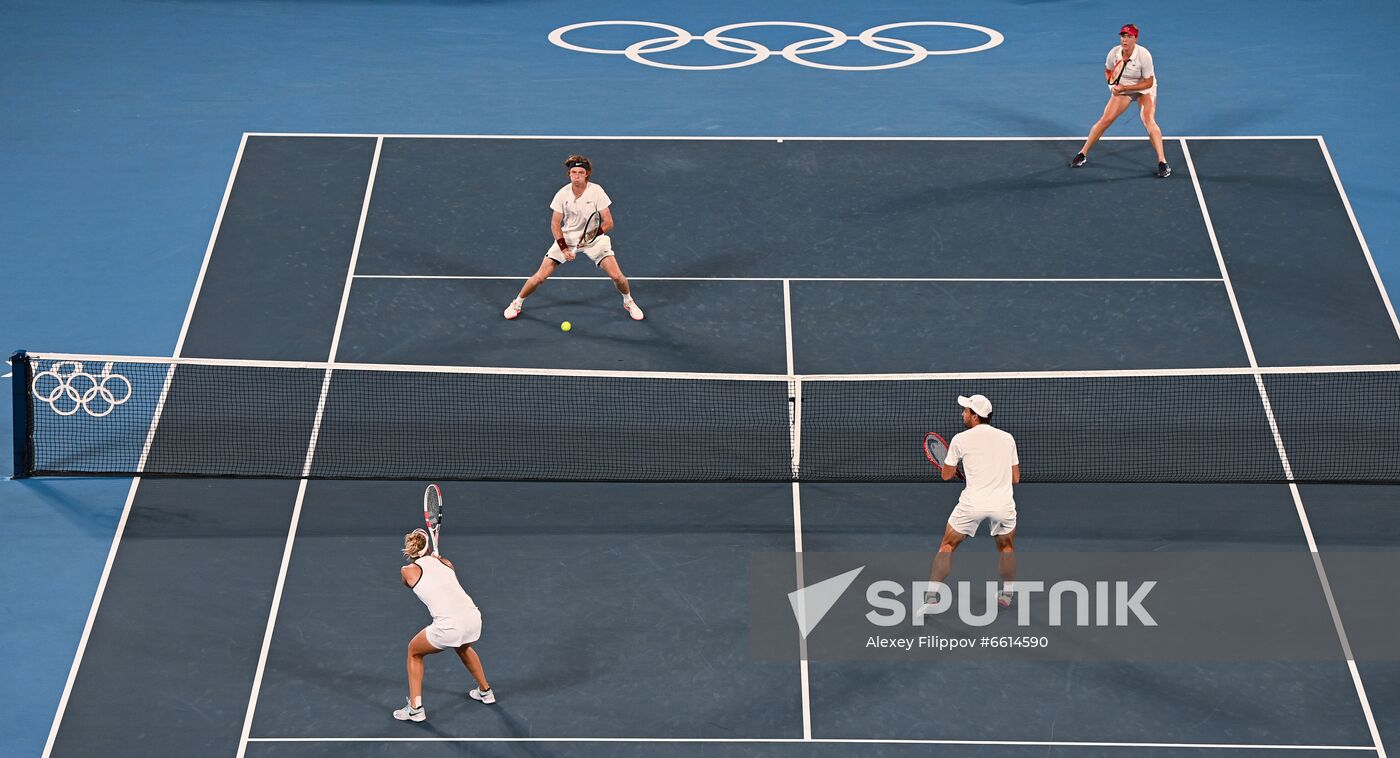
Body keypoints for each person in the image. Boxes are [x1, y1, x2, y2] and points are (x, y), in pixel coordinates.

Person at [503, 154, 644, 321]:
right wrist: (563, 248)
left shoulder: (596, 191)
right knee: (540, 277)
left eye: (580, 172)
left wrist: (591, 236)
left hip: (594, 239)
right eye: (573, 172)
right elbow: (555, 224)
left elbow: (608, 222)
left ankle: (628, 301)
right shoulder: (562, 194)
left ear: (587, 174)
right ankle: (517, 302)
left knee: (617, 276)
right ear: (569, 174)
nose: (576, 176)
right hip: (568, 238)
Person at [920, 395, 1021, 615]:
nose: (962, 413)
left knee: (947, 545)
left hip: (972, 504)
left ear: (975, 416)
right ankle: (1007, 594)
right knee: (1007, 548)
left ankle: (931, 597)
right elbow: (1015, 477)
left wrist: (963, 471)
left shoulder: (960, 439)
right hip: (1002, 504)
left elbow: (947, 476)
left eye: (965, 410)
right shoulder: (1007, 438)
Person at [392, 529, 494, 722]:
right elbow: (442, 576)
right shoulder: (446, 563)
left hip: (449, 627)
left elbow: (409, 583)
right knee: (463, 647)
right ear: (428, 546)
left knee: (414, 651)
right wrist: (436, 560)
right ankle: (486, 691)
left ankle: (415, 709)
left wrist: (429, 562)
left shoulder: (407, 571)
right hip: (473, 619)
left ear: (410, 550)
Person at [1069, 24, 1172, 178]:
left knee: (1148, 119)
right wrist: (1112, 85)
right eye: (1123, 36)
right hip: (1124, 88)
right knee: (1106, 119)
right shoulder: (1114, 53)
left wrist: (1124, 88)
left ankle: (1162, 162)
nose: (1125, 39)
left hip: (1144, 89)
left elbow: (1149, 83)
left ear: (1136, 38)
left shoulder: (1144, 56)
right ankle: (1082, 153)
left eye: (1129, 36)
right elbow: (1108, 71)